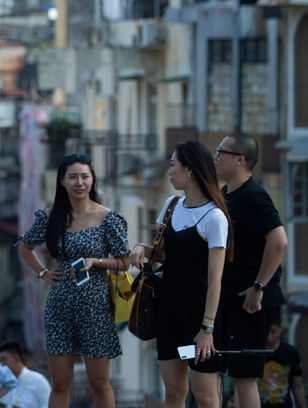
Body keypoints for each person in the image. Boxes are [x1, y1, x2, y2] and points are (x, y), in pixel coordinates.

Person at [16, 153, 129, 408]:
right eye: (73, 177)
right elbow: (24, 247)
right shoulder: (50, 217)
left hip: (96, 307)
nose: (80, 183)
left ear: (92, 180)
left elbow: (125, 261)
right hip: (59, 306)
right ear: (62, 181)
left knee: (99, 383)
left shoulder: (108, 218)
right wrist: (43, 273)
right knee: (60, 384)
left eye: (85, 176)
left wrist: (96, 261)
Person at [131, 140, 234, 408]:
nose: (169, 170)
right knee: (174, 393)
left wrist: (207, 330)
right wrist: (142, 247)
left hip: (200, 318)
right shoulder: (171, 205)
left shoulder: (215, 217)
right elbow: (168, 255)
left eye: (173, 164)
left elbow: (215, 279)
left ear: (189, 170)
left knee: (206, 396)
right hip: (169, 314)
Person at [214, 133, 289, 408]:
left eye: (220, 152)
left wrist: (258, 288)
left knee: (244, 378)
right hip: (229, 299)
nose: (215, 157)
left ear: (240, 160)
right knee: (218, 370)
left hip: (250, 303)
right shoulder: (225, 195)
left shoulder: (254, 196)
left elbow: (279, 242)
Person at [258, 316, 306, 408]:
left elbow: (298, 386)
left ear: (281, 328)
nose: (269, 337)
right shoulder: (255, 352)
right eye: (266, 332)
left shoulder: (291, 353)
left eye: (273, 332)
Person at [0, 342, 51, 408]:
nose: (1, 364)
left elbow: (49, 406)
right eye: (0, 360)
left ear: (16, 358)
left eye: (4, 359)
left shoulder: (38, 381)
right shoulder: (1, 384)